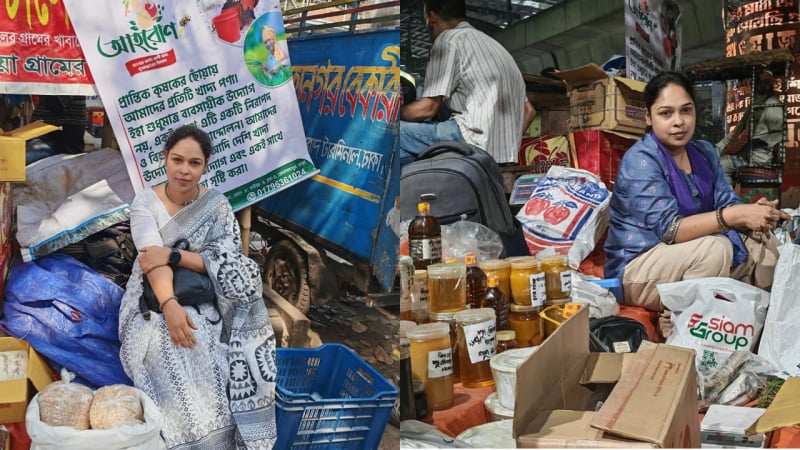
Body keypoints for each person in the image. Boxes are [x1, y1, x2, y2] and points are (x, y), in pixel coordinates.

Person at [119, 124, 277, 449]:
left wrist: (174, 254)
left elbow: (227, 259)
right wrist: (170, 306)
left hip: (206, 296)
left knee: (219, 357)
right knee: (168, 350)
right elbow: (151, 261)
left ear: (205, 166)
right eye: (177, 160)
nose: (184, 170)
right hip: (152, 297)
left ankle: (221, 440)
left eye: (194, 163)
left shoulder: (216, 204)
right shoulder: (145, 202)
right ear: (165, 159)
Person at [604, 71, 788, 337]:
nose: (678, 122)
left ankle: (755, 331)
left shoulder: (704, 152)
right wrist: (734, 215)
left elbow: (727, 201)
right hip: (639, 266)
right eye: (666, 113)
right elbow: (671, 230)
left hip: (689, 256)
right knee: (716, 249)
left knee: (769, 248)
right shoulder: (641, 160)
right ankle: (675, 322)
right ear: (648, 117)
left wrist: (753, 213)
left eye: (686, 111)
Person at [398, 0, 525, 165]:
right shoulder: (496, 47)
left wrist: (393, 114)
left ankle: (412, 188)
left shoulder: (447, 41)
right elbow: (528, 110)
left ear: (431, 17)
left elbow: (427, 108)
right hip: (505, 153)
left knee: (393, 133)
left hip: (469, 140)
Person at [716, 69, 784, 183]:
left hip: (759, 157)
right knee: (713, 159)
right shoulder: (756, 105)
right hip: (746, 154)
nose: (760, 86)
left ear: (770, 85)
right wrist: (717, 148)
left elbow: (777, 136)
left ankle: (730, 200)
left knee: (721, 166)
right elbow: (737, 132)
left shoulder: (773, 105)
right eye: (758, 82)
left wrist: (749, 145)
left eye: (765, 82)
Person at [26, 95, 87, 165]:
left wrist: (44, 87)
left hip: (61, 142)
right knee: (14, 154)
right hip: (45, 138)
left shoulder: (64, 86)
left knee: (17, 159)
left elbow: (57, 105)